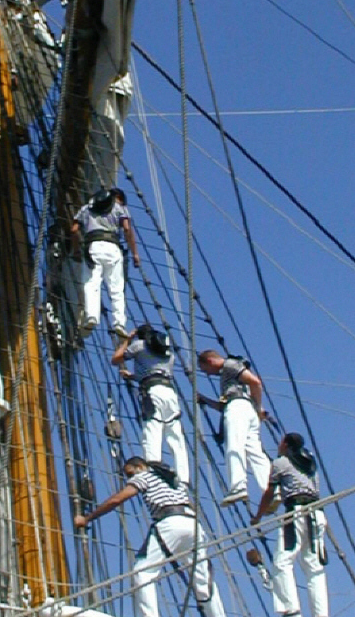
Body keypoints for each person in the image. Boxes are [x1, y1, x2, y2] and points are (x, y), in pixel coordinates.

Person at [74, 457, 236, 617]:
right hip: (193, 524)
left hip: (169, 522)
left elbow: (117, 499)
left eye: (130, 473)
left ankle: (149, 615)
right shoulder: (172, 480)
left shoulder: (144, 476)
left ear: (140, 466)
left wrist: (88, 518)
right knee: (203, 582)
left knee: (144, 569)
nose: (129, 478)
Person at [251, 432, 328, 617]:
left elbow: (270, 492)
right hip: (317, 514)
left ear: (285, 444)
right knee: (314, 567)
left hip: (297, 513)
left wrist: (258, 516)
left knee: (282, 561)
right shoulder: (311, 465)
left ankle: (289, 608)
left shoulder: (281, 463)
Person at [112, 324, 190, 483]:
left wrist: (128, 339)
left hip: (152, 392)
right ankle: (184, 477)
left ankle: (154, 467)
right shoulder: (169, 353)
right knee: (175, 434)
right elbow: (154, 370)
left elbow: (116, 359)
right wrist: (133, 376)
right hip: (170, 393)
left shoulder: (139, 345)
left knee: (152, 428)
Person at [196, 349, 272, 505]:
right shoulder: (230, 375)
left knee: (234, 446)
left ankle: (238, 486)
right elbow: (222, 406)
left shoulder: (230, 365)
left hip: (239, 408)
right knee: (255, 452)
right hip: (246, 409)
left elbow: (255, 382)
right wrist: (204, 399)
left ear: (210, 361)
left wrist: (259, 408)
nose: (209, 374)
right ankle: (270, 490)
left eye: (206, 370)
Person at [71, 188, 140, 337]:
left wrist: (77, 250)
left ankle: (91, 317)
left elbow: (74, 229)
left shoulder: (87, 208)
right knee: (117, 289)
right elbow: (127, 229)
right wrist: (135, 253)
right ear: (119, 198)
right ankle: (119, 323)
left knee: (91, 284)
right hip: (113, 248)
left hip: (92, 247)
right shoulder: (120, 208)